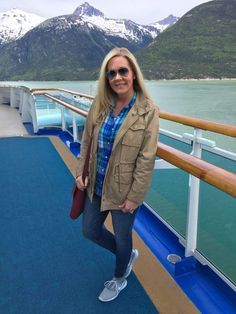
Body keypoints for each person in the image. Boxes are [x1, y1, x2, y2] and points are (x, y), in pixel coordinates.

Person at [75, 47, 159, 302]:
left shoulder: (148, 111)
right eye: (111, 73)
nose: (117, 77)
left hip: (124, 192)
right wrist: (80, 172)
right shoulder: (99, 106)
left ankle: (120, 276)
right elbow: (87, 142)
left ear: (133, 74)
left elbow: (146, 159)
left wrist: (135, 197)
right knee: (90, 231)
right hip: (95, 185)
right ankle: (127, 255)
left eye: (123, 71)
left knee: (123, 237)